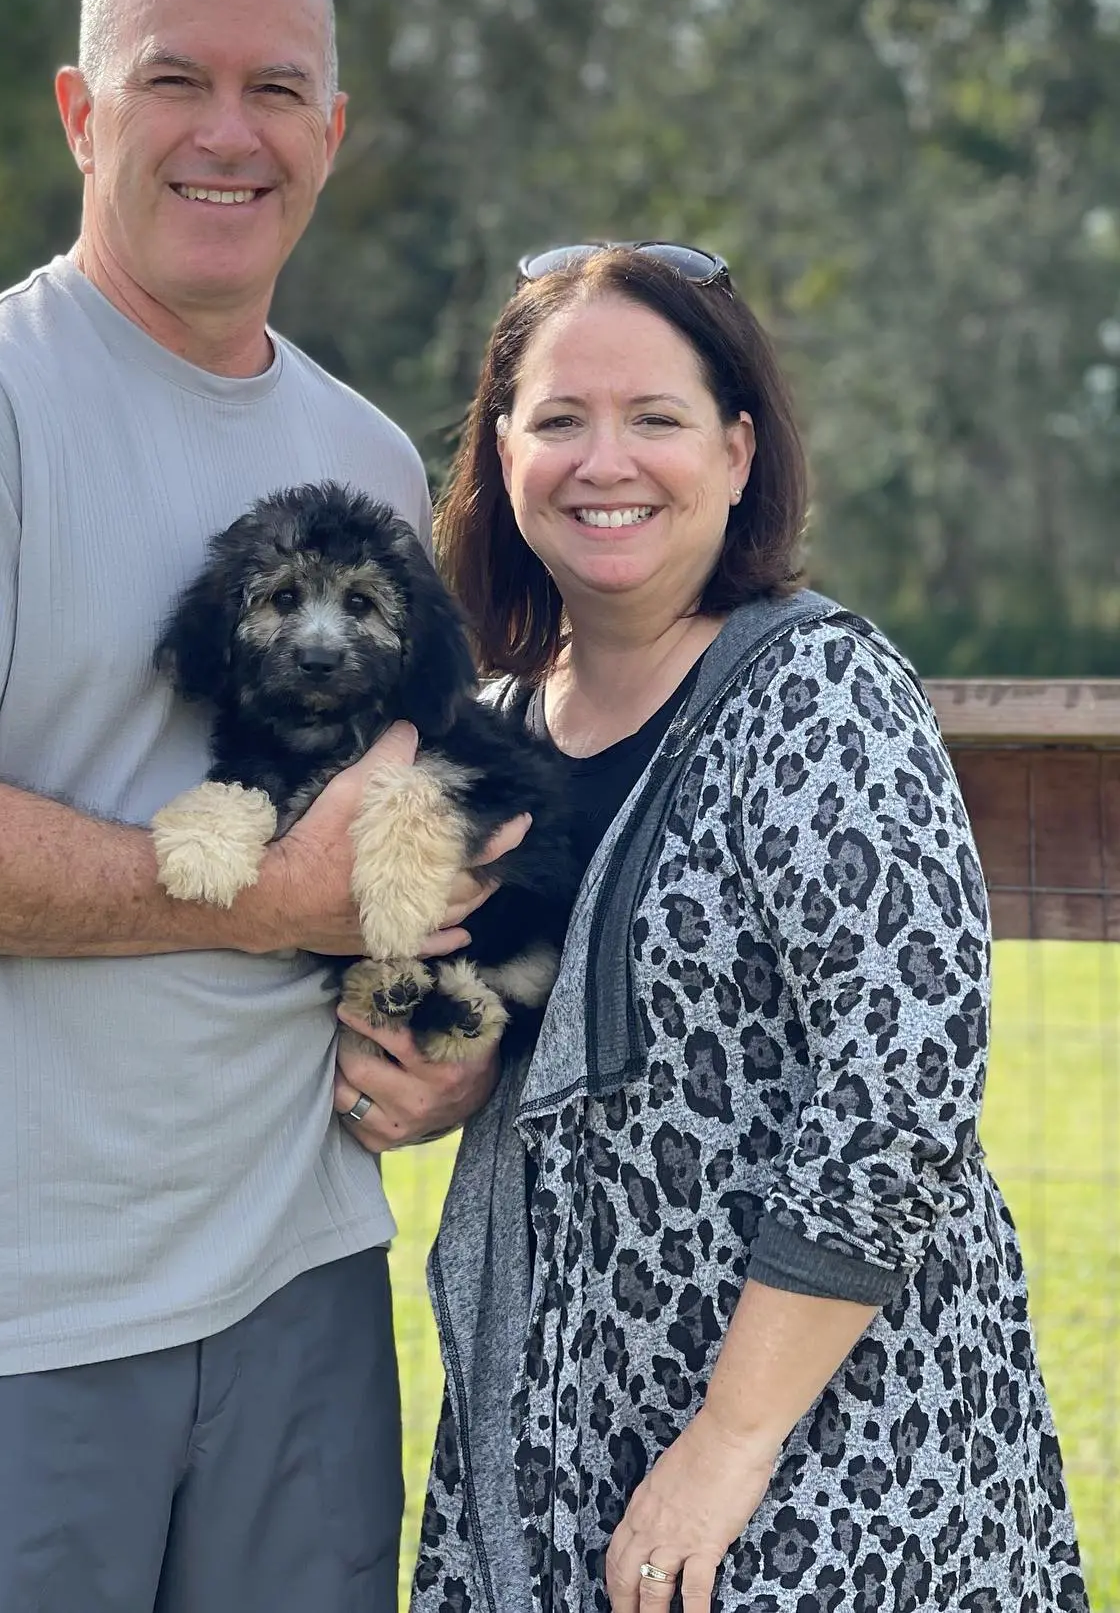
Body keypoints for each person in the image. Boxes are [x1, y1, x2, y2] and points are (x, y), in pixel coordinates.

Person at [0, 0, 516, 1613]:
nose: (228, 130)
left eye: (277, 88)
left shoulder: (369, 460)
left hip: (301, 1294)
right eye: (174, 79)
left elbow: (423, 819)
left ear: (334, 132)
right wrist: (260, 902)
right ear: (80, 113)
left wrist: (441, 1047)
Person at [400, 244, 1090, 1613]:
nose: (607, 461)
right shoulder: (486, 732)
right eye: (559, 419)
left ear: (735, 448)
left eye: (655, 418)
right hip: (565, 1448)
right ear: (501, 450)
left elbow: (903, 1095)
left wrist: (728, 1442)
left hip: (835, 1443)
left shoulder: (821, 695)